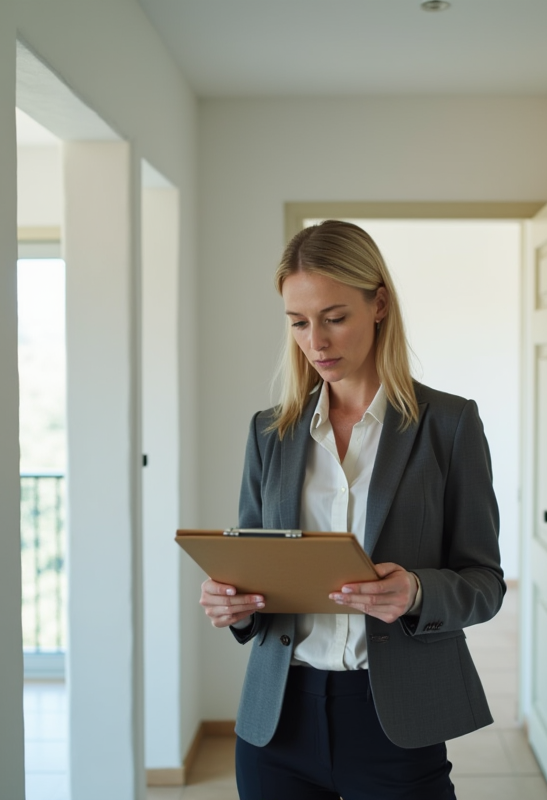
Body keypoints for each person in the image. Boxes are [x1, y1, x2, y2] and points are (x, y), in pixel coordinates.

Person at [199, 220, 505, 800]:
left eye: (334, 317)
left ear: (379, 304)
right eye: (298, 322)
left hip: (397, 721)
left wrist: (416, 591)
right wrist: (233, 606)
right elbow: (255, 575)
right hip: (278, 723)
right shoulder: (269, 433)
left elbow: (485, 584)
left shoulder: (449, 425)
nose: (315, 341)